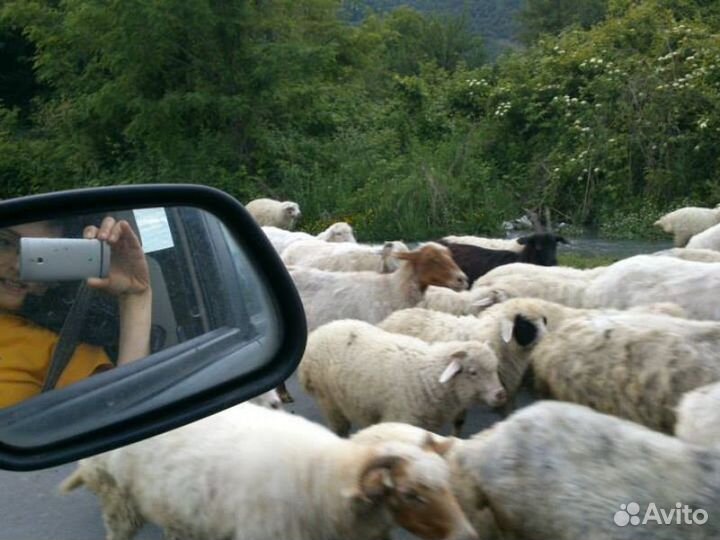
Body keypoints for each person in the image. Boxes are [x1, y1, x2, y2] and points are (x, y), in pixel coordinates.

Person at [0, 216, 152, 408]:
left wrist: (135, 296)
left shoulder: (64, 352)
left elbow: (121, 409)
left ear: (56, 276)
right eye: (4, 243)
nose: (18, 266)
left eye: (41, 255)